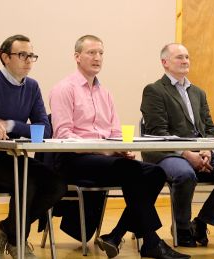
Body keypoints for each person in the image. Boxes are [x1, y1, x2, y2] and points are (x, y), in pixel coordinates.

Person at [49, 35, 189, 259]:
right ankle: (150, 241)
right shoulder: (64, 89)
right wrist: (106, 151)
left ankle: (116, 234)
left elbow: (114, 132)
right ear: (77, 57)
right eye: (91, 53)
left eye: (101, 53)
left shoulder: (105, 93)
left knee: (155, 172)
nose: (97, 58)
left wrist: (121, 149)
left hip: (106, 160)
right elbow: (65, 137)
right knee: (132, 171)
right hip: (73, 160)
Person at [0, 34, 67, 259]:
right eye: (22, 55)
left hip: (12, 160)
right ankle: (17, 242)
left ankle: (7, 229)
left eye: (32, 55)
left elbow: (44, 129)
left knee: (57, 184)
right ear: (5, 57)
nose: (28, 60)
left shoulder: (32, 87)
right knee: (27, 181)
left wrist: (11, 125)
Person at [140, 43, 214, 247]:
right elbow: (158, 133)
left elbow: (210, 129)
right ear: (165, 63)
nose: (185, 61)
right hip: (166, 153)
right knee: (185, 174)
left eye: (187, 57)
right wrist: (186, 154)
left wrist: (208, 150)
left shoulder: (198, 92)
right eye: (179, 57)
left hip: (199, 152)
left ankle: (202, 222)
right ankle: (182, 228)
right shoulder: (154, 90)